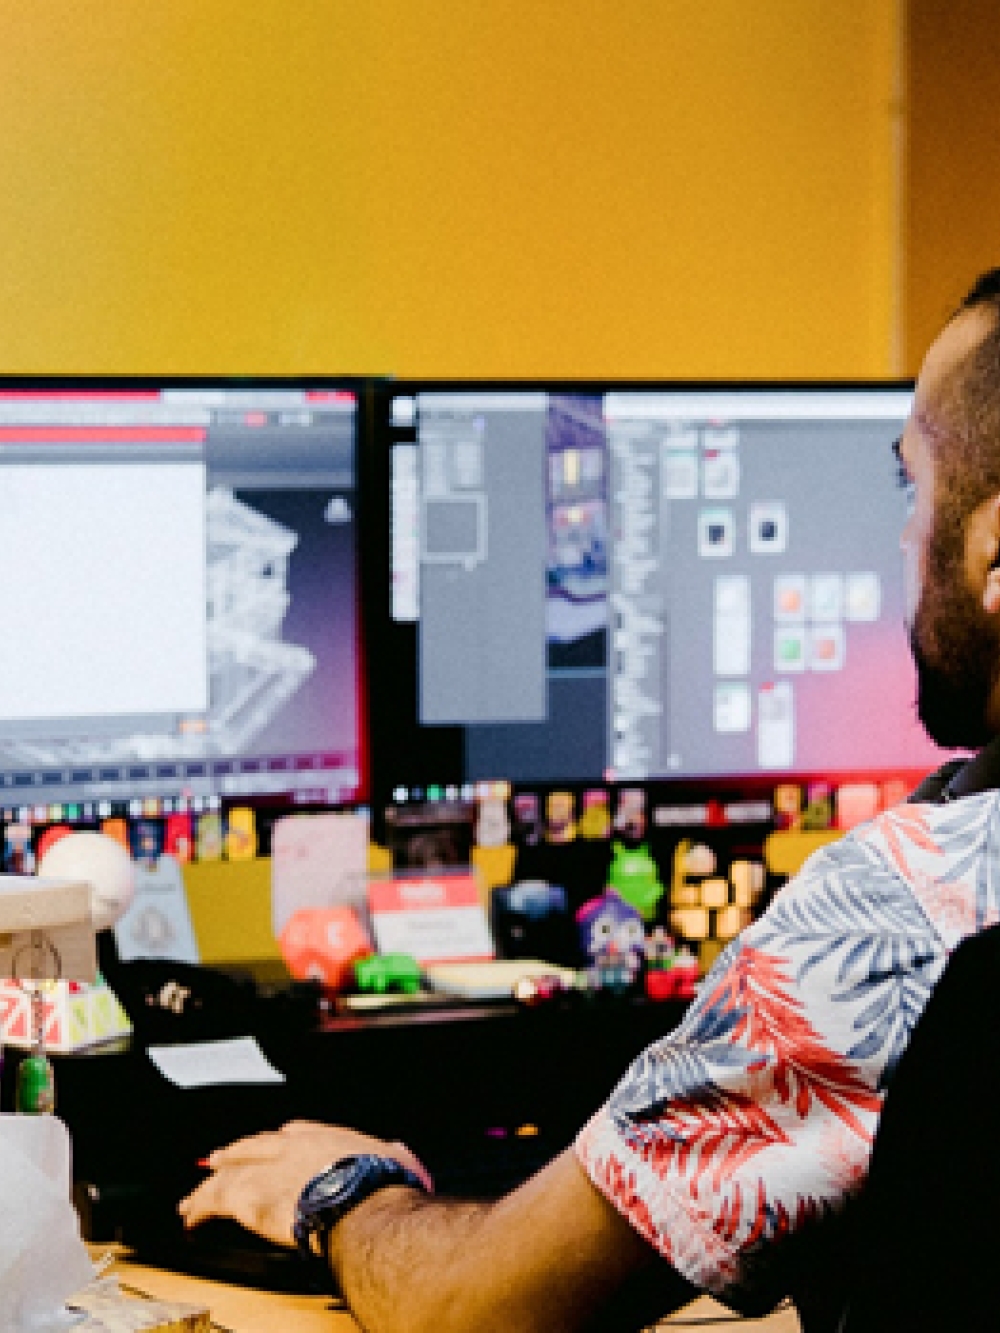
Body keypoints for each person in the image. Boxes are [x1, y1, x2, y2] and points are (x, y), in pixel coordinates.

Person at [179, 269, 1000, 1332]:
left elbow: (469, 1313)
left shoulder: (893, 919)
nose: (901, 536)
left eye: (910, 486)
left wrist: (341, 1191)